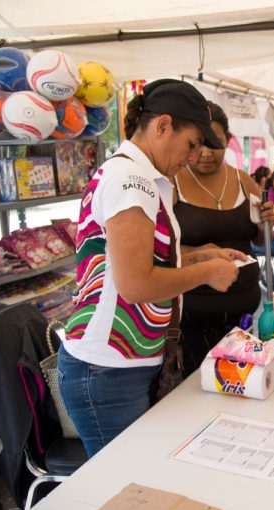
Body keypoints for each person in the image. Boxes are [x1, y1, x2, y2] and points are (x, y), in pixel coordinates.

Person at [59, 79, 241, 457]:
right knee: (122, 485)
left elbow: (136, 264)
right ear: (162, 126)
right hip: (107, 367)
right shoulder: (131, 181)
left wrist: (197, 257)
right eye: (191, 143)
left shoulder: (141, 178)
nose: (193, 157)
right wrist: (207, 274)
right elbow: (136, 284)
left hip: (119, 365)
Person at [172, 101, 274, 377]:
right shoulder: (173, 183)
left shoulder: (244, 181)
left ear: (228, 140)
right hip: (193, 315)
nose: (206, 153)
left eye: (215, 143)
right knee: (198, 389)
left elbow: (263, 243)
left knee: (239, 383)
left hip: (243, 313)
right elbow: (163, 250)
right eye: (198, 145)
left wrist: (269, 222)